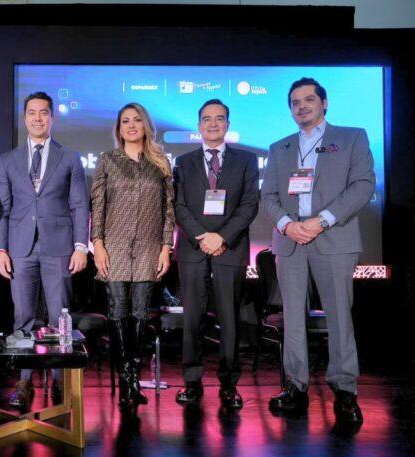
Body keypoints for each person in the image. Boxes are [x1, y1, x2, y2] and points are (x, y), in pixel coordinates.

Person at [261, 77, 375, 426]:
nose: (302, 106)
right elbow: (268, 196)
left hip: (334, 238)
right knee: (292, 317)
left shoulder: (352, 137)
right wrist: (287, 225)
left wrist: (321, 221)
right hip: (290, 241)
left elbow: (363, 185)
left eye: (309, 99)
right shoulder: (279, 147)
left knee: (339, 316)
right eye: (295, 102)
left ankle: (345, 390)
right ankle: (295, 386)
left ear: (324, 103)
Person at [0, 91, 89, 411]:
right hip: (20, 247)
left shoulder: (70, 158)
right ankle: (24, 381)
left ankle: (60, 380)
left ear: (52, 118)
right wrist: (0, 249)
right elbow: (3, 209)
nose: (37, 118)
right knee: (22, 317)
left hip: (59, 246)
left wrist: (80, 246)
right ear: (24, 118)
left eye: (43, 112)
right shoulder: (8, 160)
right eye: (32, 113)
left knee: (60, 316)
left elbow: (79, 205)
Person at [173, 99, 259, 409]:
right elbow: (178, 206)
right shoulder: (183, 162)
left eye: (219, 118)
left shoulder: (247, 160)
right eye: (207, 119)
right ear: (199, 126)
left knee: (230, 318)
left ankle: (229, 384)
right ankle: (192, 381)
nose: (213, 124)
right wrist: (203, 236)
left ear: (227, 124)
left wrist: (221, 236)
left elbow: (249, 204)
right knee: (192, 318)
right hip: (193, 247)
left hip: (229, 247)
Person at [90, 102, 175, 409]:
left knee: (140, 313)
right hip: (113, 246)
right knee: (118, 312)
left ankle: (133, 378)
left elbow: (168, 209)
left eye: (136, 120)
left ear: (145, 125)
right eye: (125, 121)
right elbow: (98, 206)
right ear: (119, 128)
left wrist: (166, 246)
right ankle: (127, 380)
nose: (131, 125)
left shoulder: (160, 163)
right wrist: (97, 243)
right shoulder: (107, 160)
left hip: (149, 247)